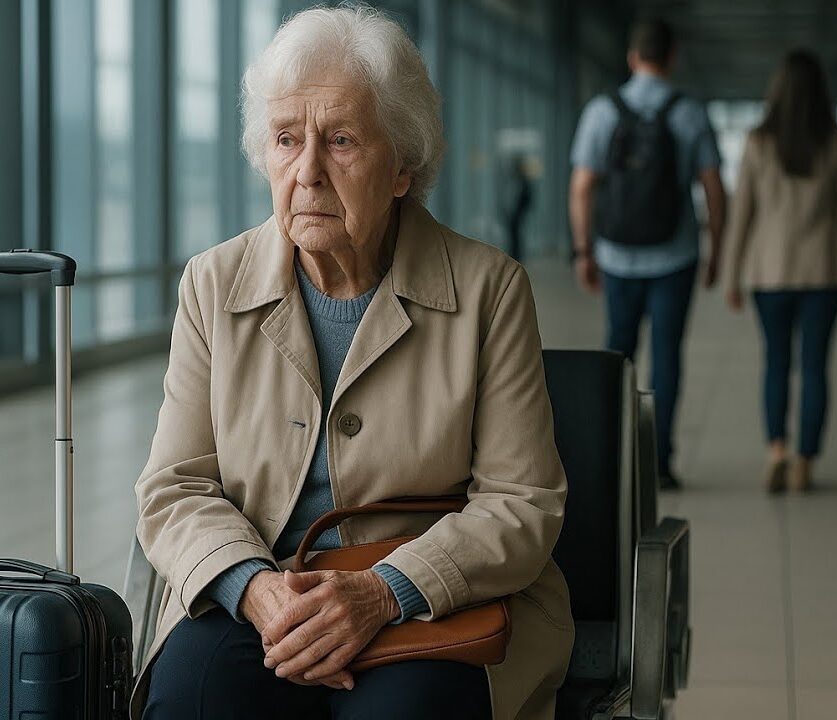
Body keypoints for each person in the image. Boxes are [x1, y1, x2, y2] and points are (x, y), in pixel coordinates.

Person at [131, 7, 573, 720]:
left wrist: (380, 592)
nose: (306, 172)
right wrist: (253, 586)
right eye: (285, 140)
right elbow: (173, 488)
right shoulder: (212, 284)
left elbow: (522, 503)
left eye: (339, 141)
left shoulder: (489, 289)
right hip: (263, 593)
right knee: (193, 701)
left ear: (402, 167)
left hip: (429, 600)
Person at [568, 18, 726, 490]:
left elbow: (582, 187)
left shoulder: (602, 110)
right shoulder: (689, 113)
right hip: (675, 255)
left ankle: (612, 459)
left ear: (633, 57)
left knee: (618, 354)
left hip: (617, 255)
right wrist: (717, 246)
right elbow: (714, 187)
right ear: (672, 57)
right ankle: (660, 460)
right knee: (667, 355)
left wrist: (583, 251)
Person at [723, 50, 837, 494]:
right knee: (815, 366)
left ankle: (777, 451)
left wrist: (731, 274)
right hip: (825, 268)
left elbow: (742, 212)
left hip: (770, 270)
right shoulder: (835, 141)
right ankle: (805, 459)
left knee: (776, 362)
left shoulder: (757, 142)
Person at [502, 155, 534, 263]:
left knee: (516, 236)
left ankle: (516, 255)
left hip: (517, 214)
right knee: (513, 236)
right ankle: (514, 254)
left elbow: (526, 198)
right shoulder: (514, 181)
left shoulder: (522, 182)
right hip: (513, 214)